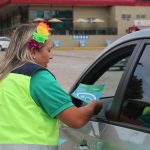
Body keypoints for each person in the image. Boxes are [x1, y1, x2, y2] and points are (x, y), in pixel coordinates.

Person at [0, 22, 103, 150]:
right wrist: (94, 105)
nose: (51, 56)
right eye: (48, 50)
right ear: (33, 51)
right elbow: (76, 119)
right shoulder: (38, 77)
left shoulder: (4, 75)